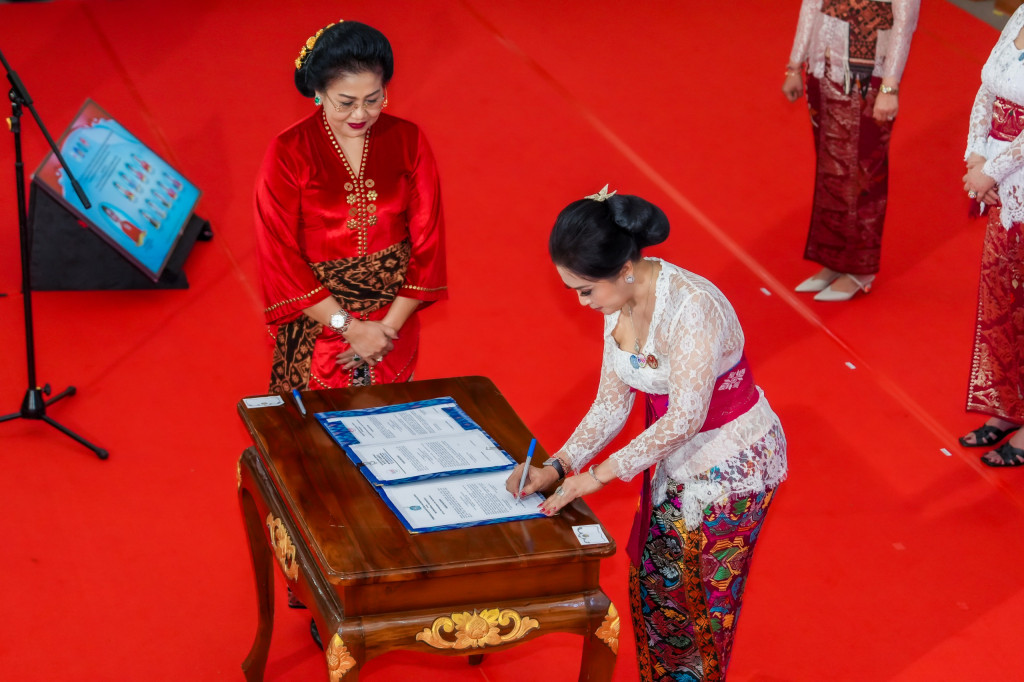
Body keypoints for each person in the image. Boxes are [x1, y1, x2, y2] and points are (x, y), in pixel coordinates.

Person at [507, 188, 787, 680]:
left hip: (731, 466)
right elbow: (611, 404)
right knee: (656, 590)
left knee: (700, 605)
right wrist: (556, 467)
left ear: (624, 269)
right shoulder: (619, 301)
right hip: (670, 458)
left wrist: (598, 476)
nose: (580, 301)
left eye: (585, 290)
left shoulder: (691, 307)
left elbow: (686, 418)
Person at [255, 20, 447, 393]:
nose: (360, 115)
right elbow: (278, 255)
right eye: (346, 103)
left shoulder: (408, 140)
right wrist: (351, 328)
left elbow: (428, 242)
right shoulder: (289, 151)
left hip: (392, 323)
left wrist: (384, 331)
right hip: (316, 320)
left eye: (373, 100)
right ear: (319, 93)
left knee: (388, 432)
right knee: (312, 437)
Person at [783, 0, 919, 301]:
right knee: (830, 170)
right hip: (822, 69)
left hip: (866, 77)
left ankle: (860, 268)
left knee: (863, 174)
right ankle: (833, 260)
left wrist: (890, 87)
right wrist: (795, 64)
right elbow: (811, 6)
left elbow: (904, 24)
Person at [959, 6, 1024, 467]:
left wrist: (993, 170)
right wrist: (974, 157)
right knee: (1001, 300)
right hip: (998, 183)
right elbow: (987, 88)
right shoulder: (1019, 15)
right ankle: (1006, 406)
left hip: (1015, 178)